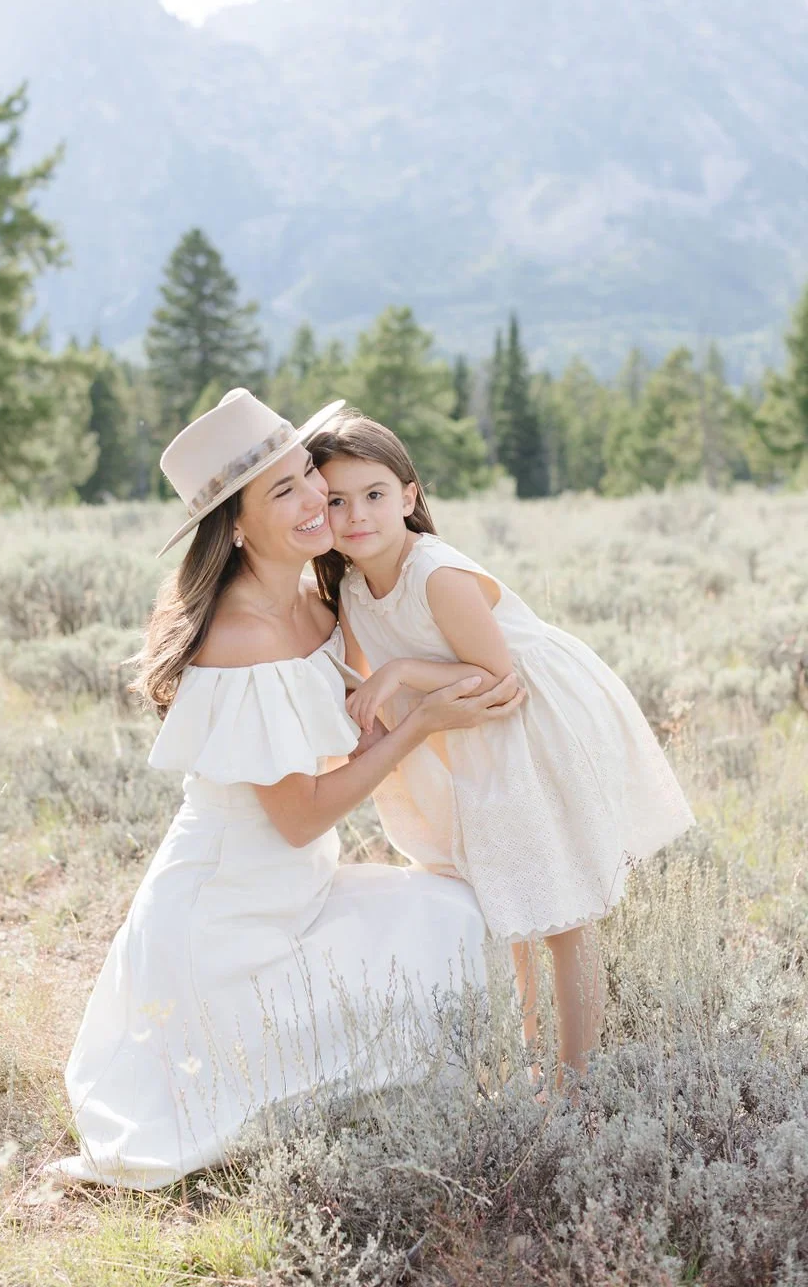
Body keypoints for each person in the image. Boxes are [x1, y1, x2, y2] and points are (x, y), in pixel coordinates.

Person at [48, 390, 525, 1187]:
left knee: (455, 915)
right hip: (227, 921)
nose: (315, 501)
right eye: (283, 491)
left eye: (308, 473)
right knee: (239, 1088)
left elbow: (342, 734)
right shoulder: (242, 633)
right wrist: (420, 724)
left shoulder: (312, 601)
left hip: (298, 893)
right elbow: (300, 817)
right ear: (235, 524)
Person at [307, 410, 695, 1086]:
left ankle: (577, 1084)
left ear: (408, 496)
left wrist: (398, 676)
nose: (357, 514)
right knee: (509, 902)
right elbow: (367, 669)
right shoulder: (349, 587)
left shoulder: (435, 573)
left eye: (373, 494)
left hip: (528, 719)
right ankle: (532, 1060)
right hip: (469, 730)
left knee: (562, 910)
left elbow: (498, 676)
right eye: (336, 500)